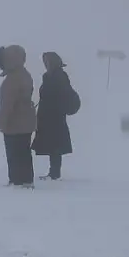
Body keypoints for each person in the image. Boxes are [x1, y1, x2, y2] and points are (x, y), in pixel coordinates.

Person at [0, 45, 37, 186]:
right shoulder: (25, 74)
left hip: (14, 122)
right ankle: (26, 180)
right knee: (24, 152)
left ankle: (16, 180)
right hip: (27, 120)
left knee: (14, 153)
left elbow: (7, 103)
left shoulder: (12, 79)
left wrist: (0, 121)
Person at [32, 51, 74, 180]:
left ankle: (55, 172)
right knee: (52, 145)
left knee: (55, 145)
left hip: (55, 116)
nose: (45, 64)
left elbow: (61, 94)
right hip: (48, 115)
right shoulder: (49, 76)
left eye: (47, 61)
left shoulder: (60, 76)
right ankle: (53, 171)